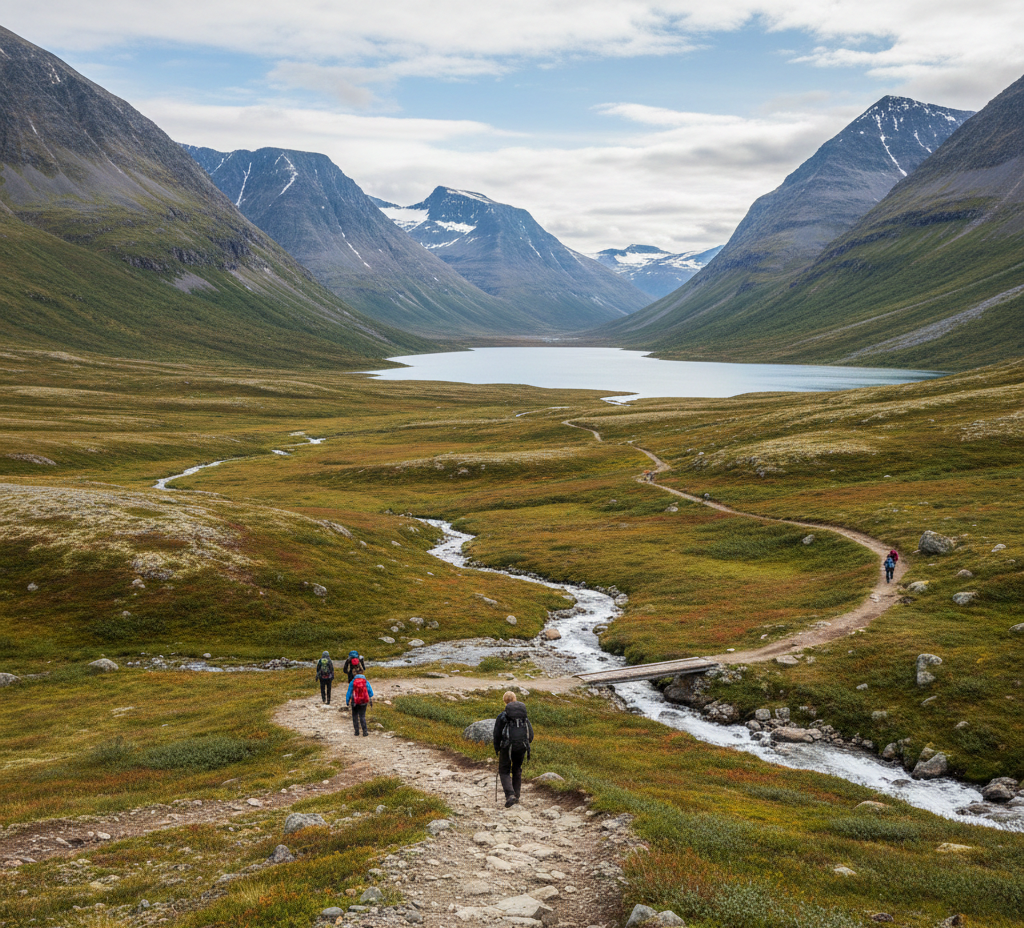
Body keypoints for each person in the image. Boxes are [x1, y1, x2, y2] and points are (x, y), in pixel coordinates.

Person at [493, 691, 534, 808]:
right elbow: (530, 734)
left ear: (504, 701)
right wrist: (525, 743)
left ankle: (510, 795)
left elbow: (497, 734)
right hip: (522, 746)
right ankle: (517, 795)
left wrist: (497, 748)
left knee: (504, 770)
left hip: (507, 747)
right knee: (517, 769)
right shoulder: (523, 716)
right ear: (515, 699)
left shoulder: (502, 716)